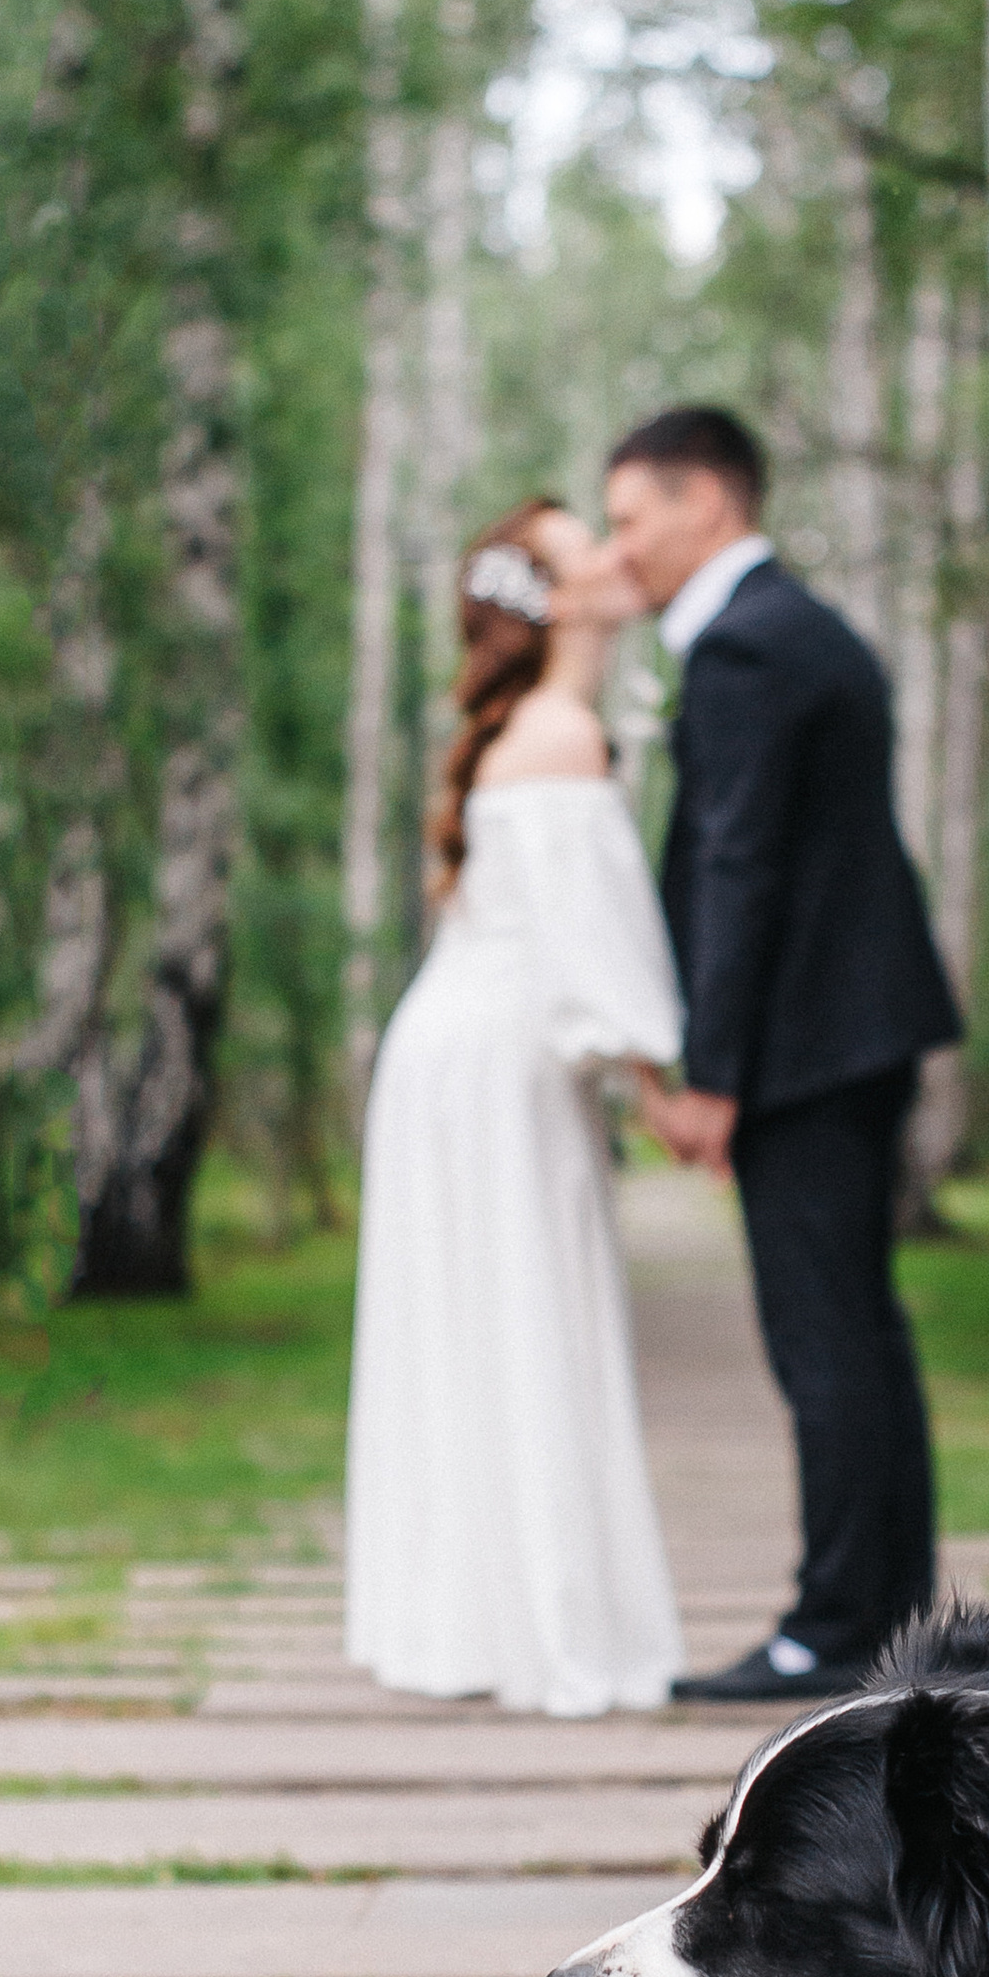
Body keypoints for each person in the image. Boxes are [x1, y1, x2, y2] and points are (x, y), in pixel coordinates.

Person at [605, 405, 964, 1708]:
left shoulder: (749, 647)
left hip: (810, 1043)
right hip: (847, 1029)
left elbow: (739, 868)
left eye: (632, 517)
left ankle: (836, 1626)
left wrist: (710, 1072)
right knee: (860, 1331)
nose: (620, 547)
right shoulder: (792, 629)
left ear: (707, 503)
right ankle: (888, 1621)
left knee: (828, 1339)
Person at [344, 498, 687, 1717]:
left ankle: (473, 1619)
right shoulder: (558, 737)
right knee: (524, 1309)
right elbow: (596, 943)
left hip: (466, 1053)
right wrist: (661, 1078)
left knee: (481, 1320)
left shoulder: (545, 729)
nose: (611, 550)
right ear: (549, 599)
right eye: (579, 542)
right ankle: (540, 1624)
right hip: (497, 1067)